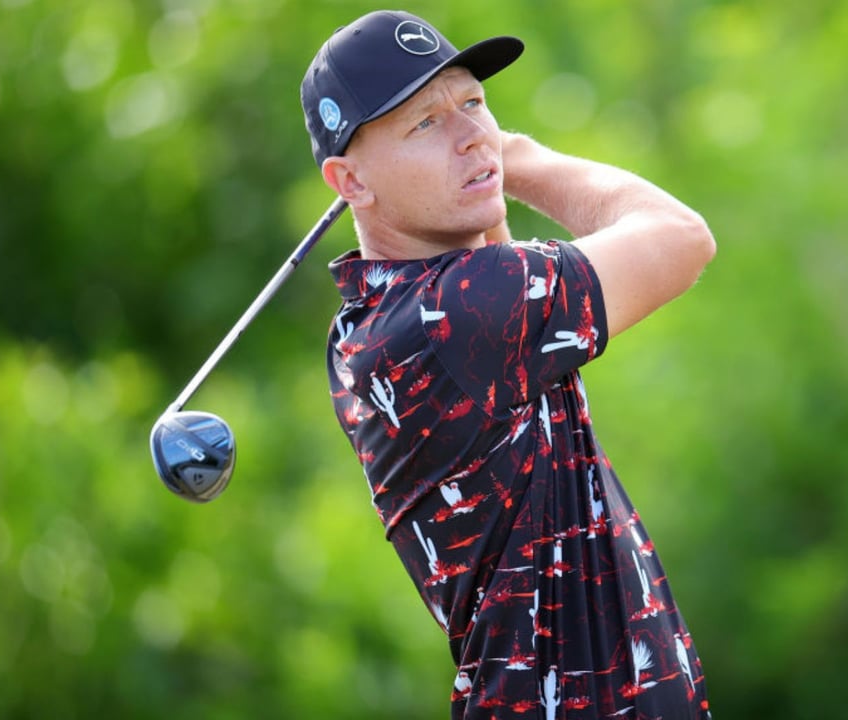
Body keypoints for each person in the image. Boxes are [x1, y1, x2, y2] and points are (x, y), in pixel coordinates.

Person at [301, 10, 715, 719]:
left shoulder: (369, 322)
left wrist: (477, 170)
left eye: (473, 103)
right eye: (424, 124)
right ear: (351, 181)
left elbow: (493, 251)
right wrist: (516, 157)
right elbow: (682, 237)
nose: (470, 135)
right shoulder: (458, 313)